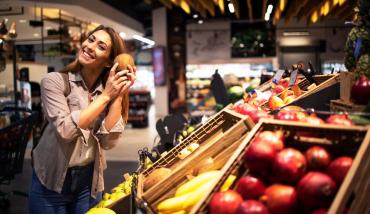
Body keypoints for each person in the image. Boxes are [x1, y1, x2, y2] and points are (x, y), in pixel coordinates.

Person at [28, 25, 136, 214]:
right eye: (91, 39)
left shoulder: (108, 91)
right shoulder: (54, 81)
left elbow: (107, 142)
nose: (90, 46)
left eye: (101, 46)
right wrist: (106, 97)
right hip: (51, 180)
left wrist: (119, 95)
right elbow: (65, 131)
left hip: (89, 181)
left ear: (110, 62)